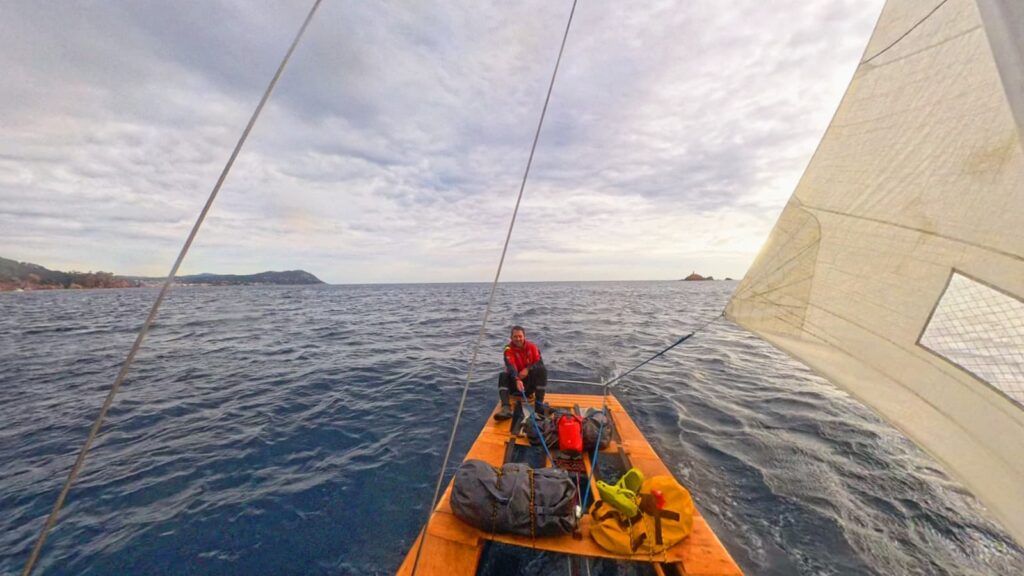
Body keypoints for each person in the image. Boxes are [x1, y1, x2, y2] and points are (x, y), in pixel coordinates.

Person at [494, 325, 547, 421]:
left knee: (542, 370)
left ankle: (539, 406)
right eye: (515, 336)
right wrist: (517, 379)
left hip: (528, 386)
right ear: (511, 337)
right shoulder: (508, 349)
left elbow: (539, 363)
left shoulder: (532, 347)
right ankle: (506, 408)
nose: (518, 339)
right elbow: (510, 366)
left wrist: (527, 369)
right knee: (503, 375)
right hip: (515, 385)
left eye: (520, 336)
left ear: (524, 337)